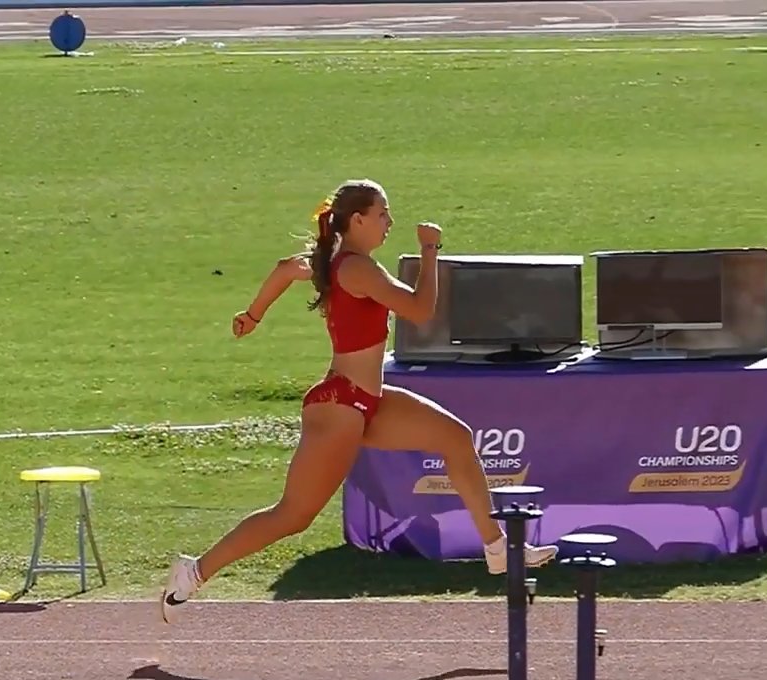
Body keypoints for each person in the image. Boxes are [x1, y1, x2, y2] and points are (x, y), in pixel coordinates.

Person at [159, 178, 557, 623]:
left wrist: (253, 316)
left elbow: (284, 268)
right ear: (358, 219)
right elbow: (421, 312)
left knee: (455, 438)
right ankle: (193, 572)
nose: (390, 222)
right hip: (339, 405)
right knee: (293, 515)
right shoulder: (356, 269)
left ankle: (497, 549)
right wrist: (430, 251)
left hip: (368, 401)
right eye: (384, 213)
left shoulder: (334, 263)